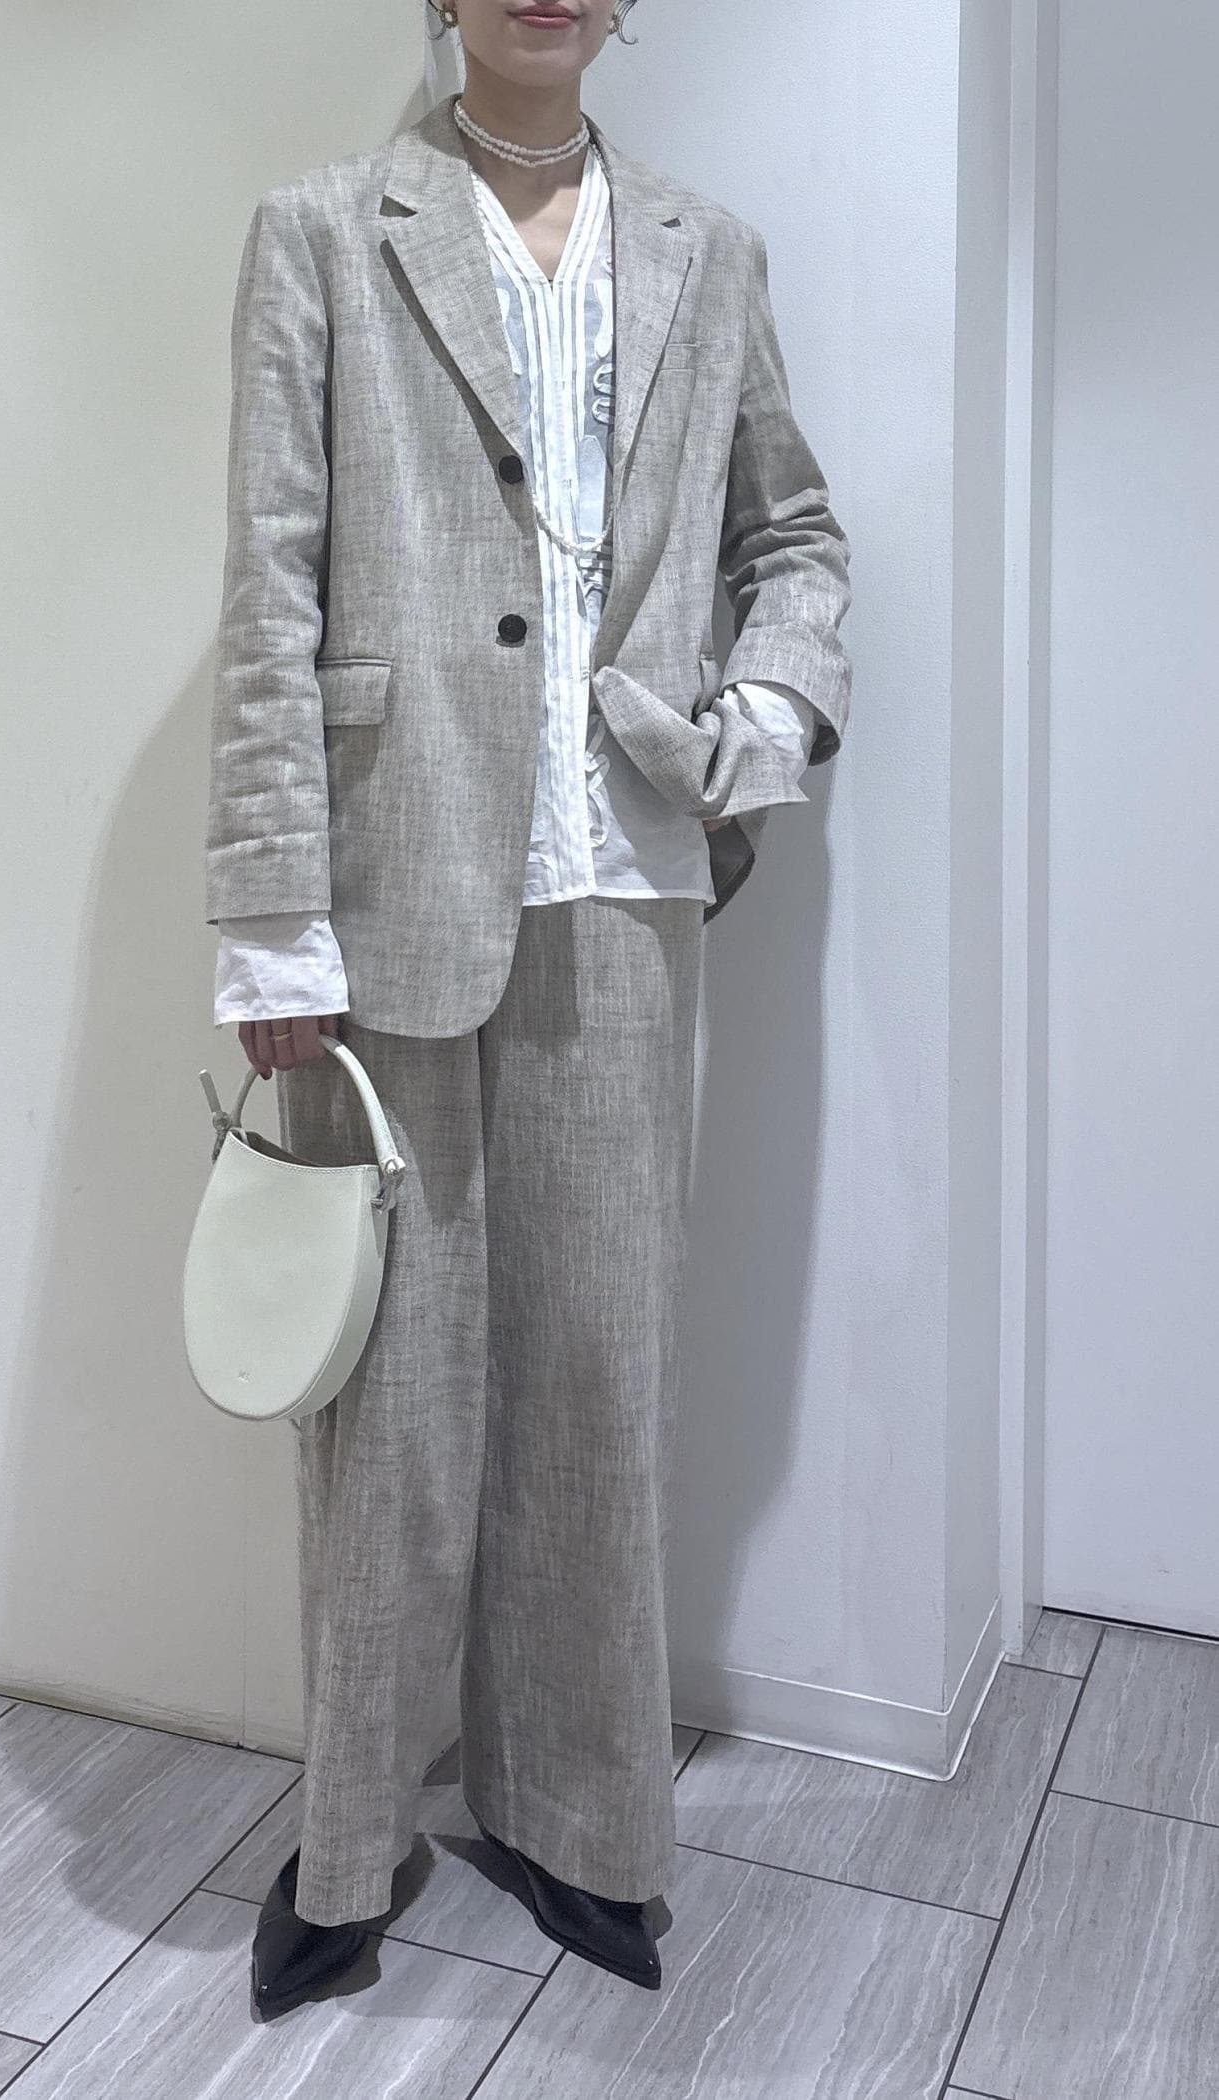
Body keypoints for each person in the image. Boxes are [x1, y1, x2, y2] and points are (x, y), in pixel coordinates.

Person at [206, 0, 851, 2022]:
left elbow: (793, 536)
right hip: (390, 881)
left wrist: (770, 707)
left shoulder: (708, 251)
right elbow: (274, 581)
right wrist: (272, 923)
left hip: (627, 879)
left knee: (597, 1375)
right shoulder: (325, 229)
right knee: (386, 1402)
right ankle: (352, 1836)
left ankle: (582, 1817)